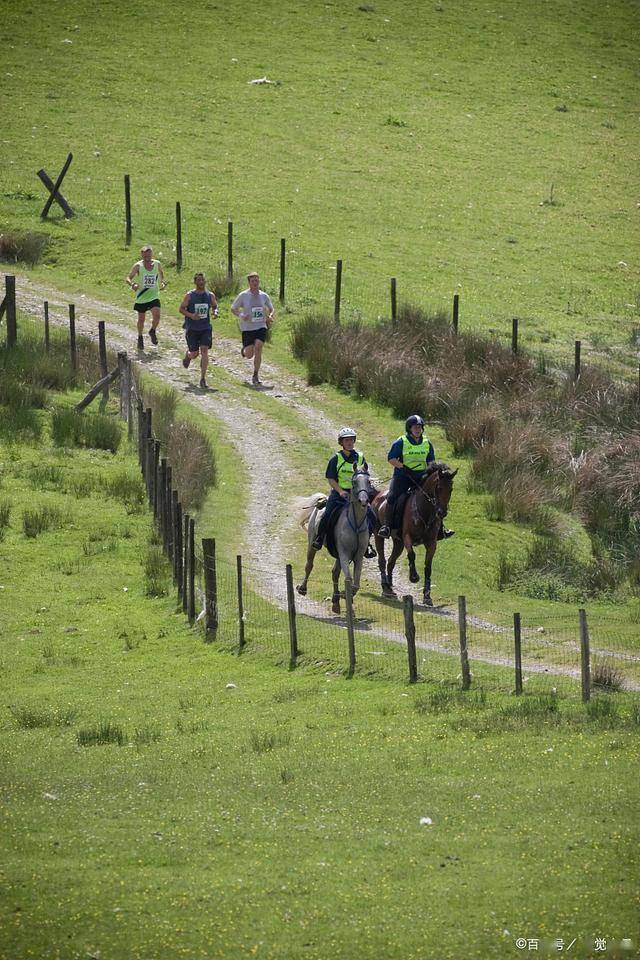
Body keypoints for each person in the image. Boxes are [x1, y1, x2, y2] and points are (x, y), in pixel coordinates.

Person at [378, 414, 455, 539]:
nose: (418, 429)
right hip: (403, 477)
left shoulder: (427, 443)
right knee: (392, 497)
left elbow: (431, 462)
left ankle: (441, 528)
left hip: (421, 476)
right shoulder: (401, 442)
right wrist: (403, 467)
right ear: (409, 428)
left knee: (435, 498)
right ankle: (386, 526)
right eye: (415, 427)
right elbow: (391, 458)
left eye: (420, 427)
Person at [312, 427, 376, 557]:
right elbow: (331, 478)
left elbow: (364, 475)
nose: (350, 442)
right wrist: (340, 491)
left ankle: (367, 543)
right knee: (327, 514)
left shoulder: (360, 457)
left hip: (357, 494)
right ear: (341, 442)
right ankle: (319, 538)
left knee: (372, 516)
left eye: (352, 440)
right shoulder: (336, 459)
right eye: (346, 440)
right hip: (339, 494)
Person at [230, 272, 274, 386]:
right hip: (247, 328)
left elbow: (271, 308)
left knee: (259, 347)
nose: (255, 282)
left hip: (260, 326)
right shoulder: (243, 295)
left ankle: (255, 374)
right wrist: (241, 316)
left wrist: (270, 316)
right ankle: (244, 351)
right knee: (250, 355)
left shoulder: (264, 296)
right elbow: (233, 308)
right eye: (253, 281)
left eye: (257, 280)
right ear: (249, 283)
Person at [179, 273, 218, 389]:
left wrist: (215, 312)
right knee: (195, 354)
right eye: (199, 280)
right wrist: (191, 315)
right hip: (192, 328)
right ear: (195, 282)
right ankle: (188, 356)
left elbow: (215, 306)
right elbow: (181, 309)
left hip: (205, 327)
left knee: (204, 350)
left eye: (203, 280)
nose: (201, 282)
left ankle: (202, 378)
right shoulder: (189, 296)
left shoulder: (210, 295)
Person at [126, 245, 166, 351]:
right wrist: (132, 284)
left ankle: (152, 330)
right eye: (145, 256)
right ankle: (140, 337)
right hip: (142, 297)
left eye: (149, 256)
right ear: (142, 255)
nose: (147, 258)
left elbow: (161, 273)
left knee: (157, 316)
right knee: (141, 319)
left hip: (154, 295)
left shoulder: (157, 264)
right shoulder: (138, 266)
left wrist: (162, 282)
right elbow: (128, 278)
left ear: (151, 254)